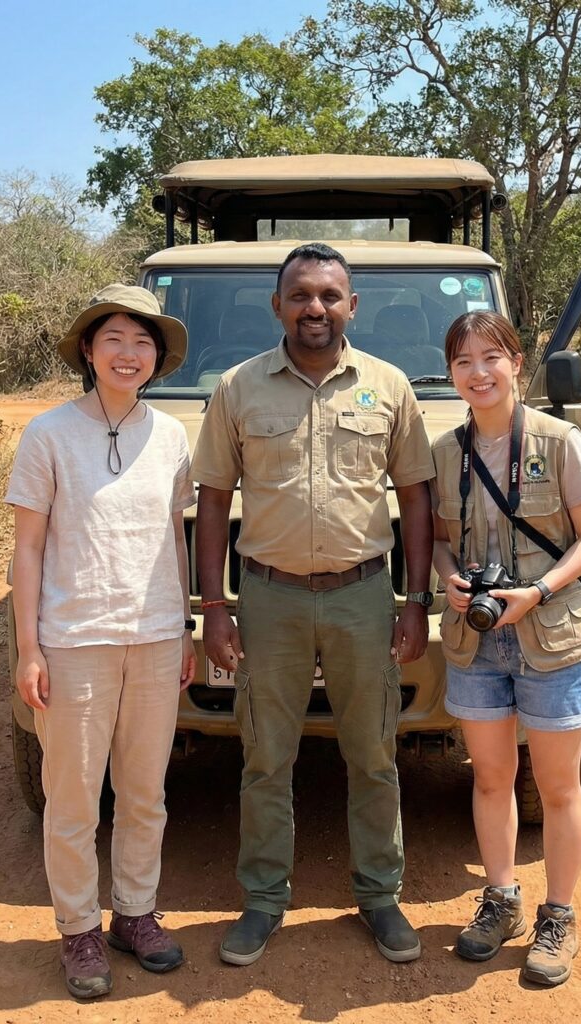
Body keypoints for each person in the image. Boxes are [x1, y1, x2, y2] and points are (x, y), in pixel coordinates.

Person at [191, 243, 435, 966]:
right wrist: (216, 603)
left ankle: (379, 895)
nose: (315, 308)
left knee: (374, 755)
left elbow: (416, 499)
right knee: (266, 759)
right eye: (300, 295)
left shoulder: (389, 387)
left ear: (352, 306)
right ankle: (263, 900)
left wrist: (413, 600)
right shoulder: (237, 388)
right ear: (277, 306)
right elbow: (211, 500)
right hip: (269, 597)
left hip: (363, 594)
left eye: (330, 295)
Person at [7, 285, 196, 999]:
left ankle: (136, 914)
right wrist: (30, 648)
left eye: (142, 341)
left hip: (151, 640)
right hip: (74, 641)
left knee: (146, 793)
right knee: (74, 798)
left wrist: (180, 630)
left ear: (157, 357)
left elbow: (172, 540)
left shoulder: (172, 435)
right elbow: (26, 550)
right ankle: (79, 927)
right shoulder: (48, 433)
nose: (128, 353)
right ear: (88, 350)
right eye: (113, 338)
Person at [431, 311, 581, 986]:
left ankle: (556, 916)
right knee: (489, 777)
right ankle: (499, 900)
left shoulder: (559, 441)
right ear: (450, 375)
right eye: (461, 362)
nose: (477, 373)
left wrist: (537, 590)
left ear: (515, 364)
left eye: (489, 358)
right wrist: (446, 574)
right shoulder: (447, 451)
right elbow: (444, 536)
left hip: (550, 635)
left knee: (558, 787)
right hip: (477, 641)